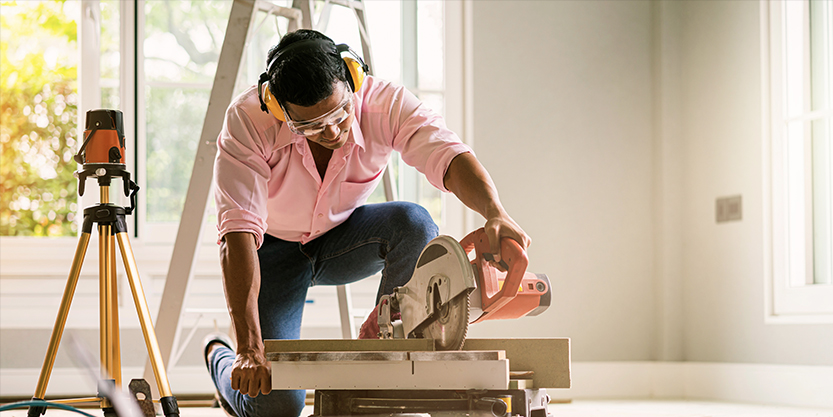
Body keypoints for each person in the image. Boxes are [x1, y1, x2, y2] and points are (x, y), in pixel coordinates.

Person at [203, 29, 530, 417]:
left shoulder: (384, 103)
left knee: (413, 222)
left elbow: (448, 153)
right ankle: (218, 357)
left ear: (352, 79)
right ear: (278, 108)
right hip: (270, 251)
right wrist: (248, 349)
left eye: (339, 113)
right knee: (277, 406)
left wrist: (495, 211)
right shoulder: (247, 121)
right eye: (309, 126)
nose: (331, 131)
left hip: (343, 239)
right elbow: (237, 232)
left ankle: (385, 352)